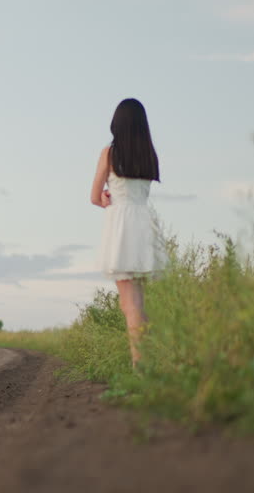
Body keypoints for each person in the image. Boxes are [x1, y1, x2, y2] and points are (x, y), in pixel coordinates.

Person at [91, 98, 165, 368]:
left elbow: (94, 197)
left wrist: (106, 196)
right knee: (138, 303)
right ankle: (151, 360)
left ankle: (141, 366)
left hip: (122, 225)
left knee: (129, 304)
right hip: (144, 222)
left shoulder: (109, 153)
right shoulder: (149, 154)